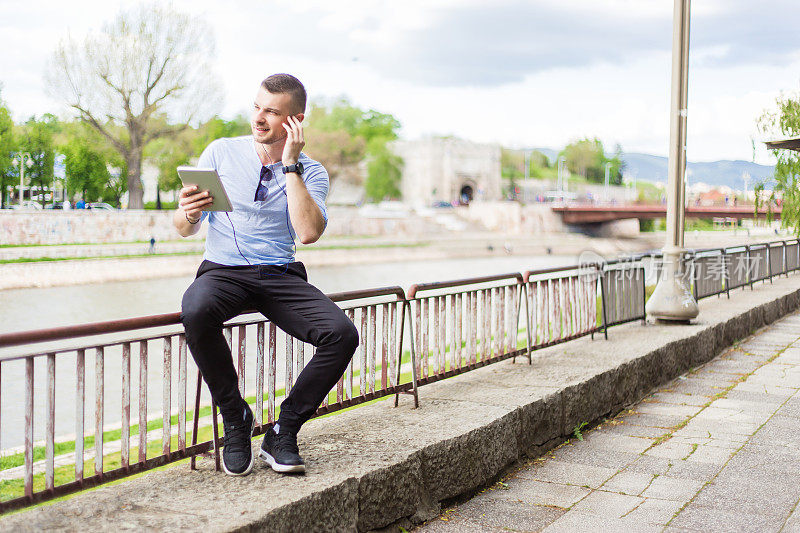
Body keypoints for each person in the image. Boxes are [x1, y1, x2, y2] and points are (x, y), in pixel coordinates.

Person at [173, 74, 358, 477]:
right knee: (195, 309)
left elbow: (308, 233)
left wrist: (289, 165)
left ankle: (283, 430)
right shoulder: (221, 151)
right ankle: (235, 417)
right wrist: (187, 213)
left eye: (271, 112)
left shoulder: (311, 172)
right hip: (223, 271)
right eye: (257, 107)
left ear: (295, 120)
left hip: (281, 274)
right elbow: (185, 228)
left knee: (342, 335)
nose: (258, 118)